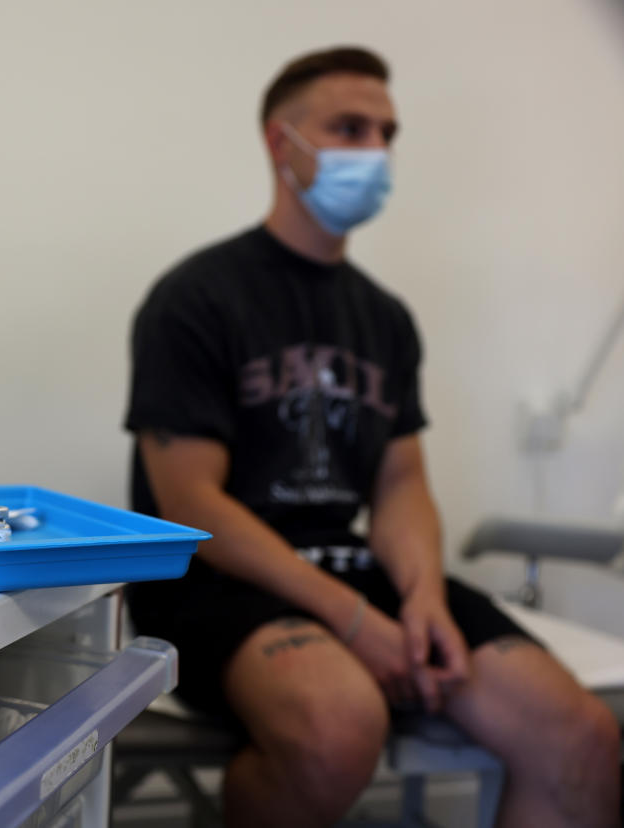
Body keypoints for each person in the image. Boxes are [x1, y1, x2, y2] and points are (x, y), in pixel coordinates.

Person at [124, 46, 620, 827]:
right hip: (213, 584)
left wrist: (421, 601)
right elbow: (191, 504)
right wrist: (358, 625)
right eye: (349, 128)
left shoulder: (385, 319)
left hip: (354, 570)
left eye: (387, 133)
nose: (376, 152)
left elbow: (401, 485)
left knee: (583, 738)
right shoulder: (196, 298)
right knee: (337, 727)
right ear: (279, 142)